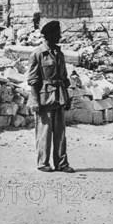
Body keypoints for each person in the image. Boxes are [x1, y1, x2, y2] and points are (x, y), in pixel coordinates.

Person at [27, 20, 74, 173]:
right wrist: (34, 100)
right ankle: (43, 163)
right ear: (50, 35)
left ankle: (61, 163)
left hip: (59, 96)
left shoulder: (59, 53)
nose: (60, 36)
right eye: (57, 33)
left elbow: (64, 78)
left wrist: (66, 97)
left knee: (60, 133)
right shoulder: (38, 53)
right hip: (44, 98)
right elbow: (33, 80)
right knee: (44, 133)